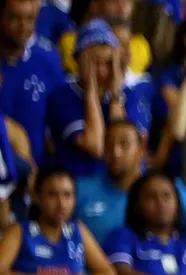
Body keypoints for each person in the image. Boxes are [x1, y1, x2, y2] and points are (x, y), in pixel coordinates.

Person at [45, 20, 146, 179]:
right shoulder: (61, 97)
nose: (102, 71)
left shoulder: (127, 95)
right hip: (79, 182)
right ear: (77, 61)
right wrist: (91, 94)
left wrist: (115, 95)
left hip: (117, 184)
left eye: (108, 63)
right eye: (94, 63)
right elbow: (96, 146)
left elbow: (120, 141)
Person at [0, 0, 66, 166]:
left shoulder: (48, 60)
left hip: (39, 170)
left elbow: (59, 120)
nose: (23, 26)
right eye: (15, 18)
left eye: (29, 18)